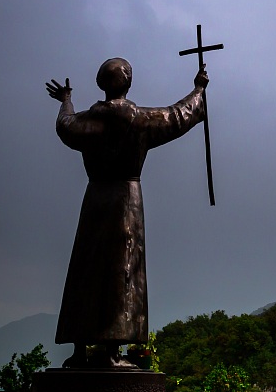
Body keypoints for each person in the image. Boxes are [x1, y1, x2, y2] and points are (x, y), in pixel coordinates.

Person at [46, 57, 208, 368]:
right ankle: (109, 351)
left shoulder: (84, 122)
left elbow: (64, 124)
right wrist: (199, 89)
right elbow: (179, 115)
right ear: (128, 82)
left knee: (86, 269)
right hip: (125, 199)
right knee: (122, 268)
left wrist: (66, 100)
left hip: (94, 200)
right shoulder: (140, 119)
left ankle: (80, 349)